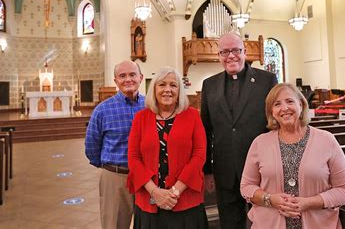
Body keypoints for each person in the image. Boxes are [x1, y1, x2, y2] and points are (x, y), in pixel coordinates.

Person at [240, 83, 345, 228]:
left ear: (301, 105)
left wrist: (309, 203)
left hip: (318, 224)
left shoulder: (326, 140)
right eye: (277, 104)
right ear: (272, 111)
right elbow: (246, 186)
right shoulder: (260, 143)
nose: (284, 108)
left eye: (289, 101)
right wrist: (270, 199)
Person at [201, 32, 278, 228]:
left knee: (263, 220)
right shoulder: (209, 85)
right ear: (218, 56)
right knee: (229, 222)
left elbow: (275, 124)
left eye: (235, 50)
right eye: (224, 52)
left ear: (244, 52)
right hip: (225, 169)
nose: (231, 56)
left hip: (261, 167)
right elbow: (206, 129)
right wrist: (207, 170)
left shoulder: (266, 80)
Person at [127, 66, 208, 228]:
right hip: (149, 200)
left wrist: (175, 191)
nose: (167, 90)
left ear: (179, 91)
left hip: (185, 199)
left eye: (173, 85)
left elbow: (199, 155)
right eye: (162, 85)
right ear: (154, 89)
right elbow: (134, 158)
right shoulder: (140, 118)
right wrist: (154, 192)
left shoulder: (192, 115)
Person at [85, 60, 145, 229]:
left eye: (132, 75)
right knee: (114, 225)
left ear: (141, 77)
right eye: (122, 76)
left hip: (146, 178)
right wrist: (109, 168)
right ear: (115, 80)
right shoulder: (103, 110)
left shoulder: (150, 106)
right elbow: (91, 146)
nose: (128, 79)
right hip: (116, 176)